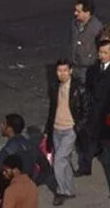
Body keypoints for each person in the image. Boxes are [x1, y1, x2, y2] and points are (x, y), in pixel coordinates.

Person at [44, 59, 89, 206]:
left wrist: (78, 127)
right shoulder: (55, 87)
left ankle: (61, 191)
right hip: (57, 128)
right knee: (65, 161)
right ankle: (69, 190)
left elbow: (87, 111)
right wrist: (47, 130)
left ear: (70, 71)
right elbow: (52, 110)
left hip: (70, 129)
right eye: (59, 71)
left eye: (64, 70)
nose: (61, 74)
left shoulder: (79, 88)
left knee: (59, 160)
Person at [80, 39, 110, 177]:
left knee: (109, 143)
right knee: (89, 138)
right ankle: (85, 168)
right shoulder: (93, 69)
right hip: (94, 110)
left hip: (109, 112)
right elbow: (88, 88)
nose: (102, 55)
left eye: (105, 52)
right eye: (100, 52)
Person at [0, 114, 37, 206]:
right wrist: (34, 183)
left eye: (4, 124)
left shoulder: (7, 150)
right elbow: (45, 167)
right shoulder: (30, 145)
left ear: (10, 128)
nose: (1, 126)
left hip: (11, 190)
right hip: (28, 187)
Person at [71, 0, 102, 80]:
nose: (75, 13)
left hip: (88, 68)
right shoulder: (75, 23)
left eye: (78, 11)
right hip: (75, 65)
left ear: (87, 13)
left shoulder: (96, 28)